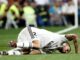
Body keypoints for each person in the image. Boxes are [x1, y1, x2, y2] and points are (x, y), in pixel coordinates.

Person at [0, 27, 78, 55]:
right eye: (68, 49)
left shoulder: (51, 50)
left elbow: (36, 52)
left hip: (26, 40)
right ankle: (16, 44)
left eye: (66, 52)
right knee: (37, 45)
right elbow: (74, 36)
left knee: (27, 51)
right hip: (30, 31)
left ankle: (6, 53)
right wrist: (77, 52)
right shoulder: (62, 38)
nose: (66, 51)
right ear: (67, 44)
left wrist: (32, 52)